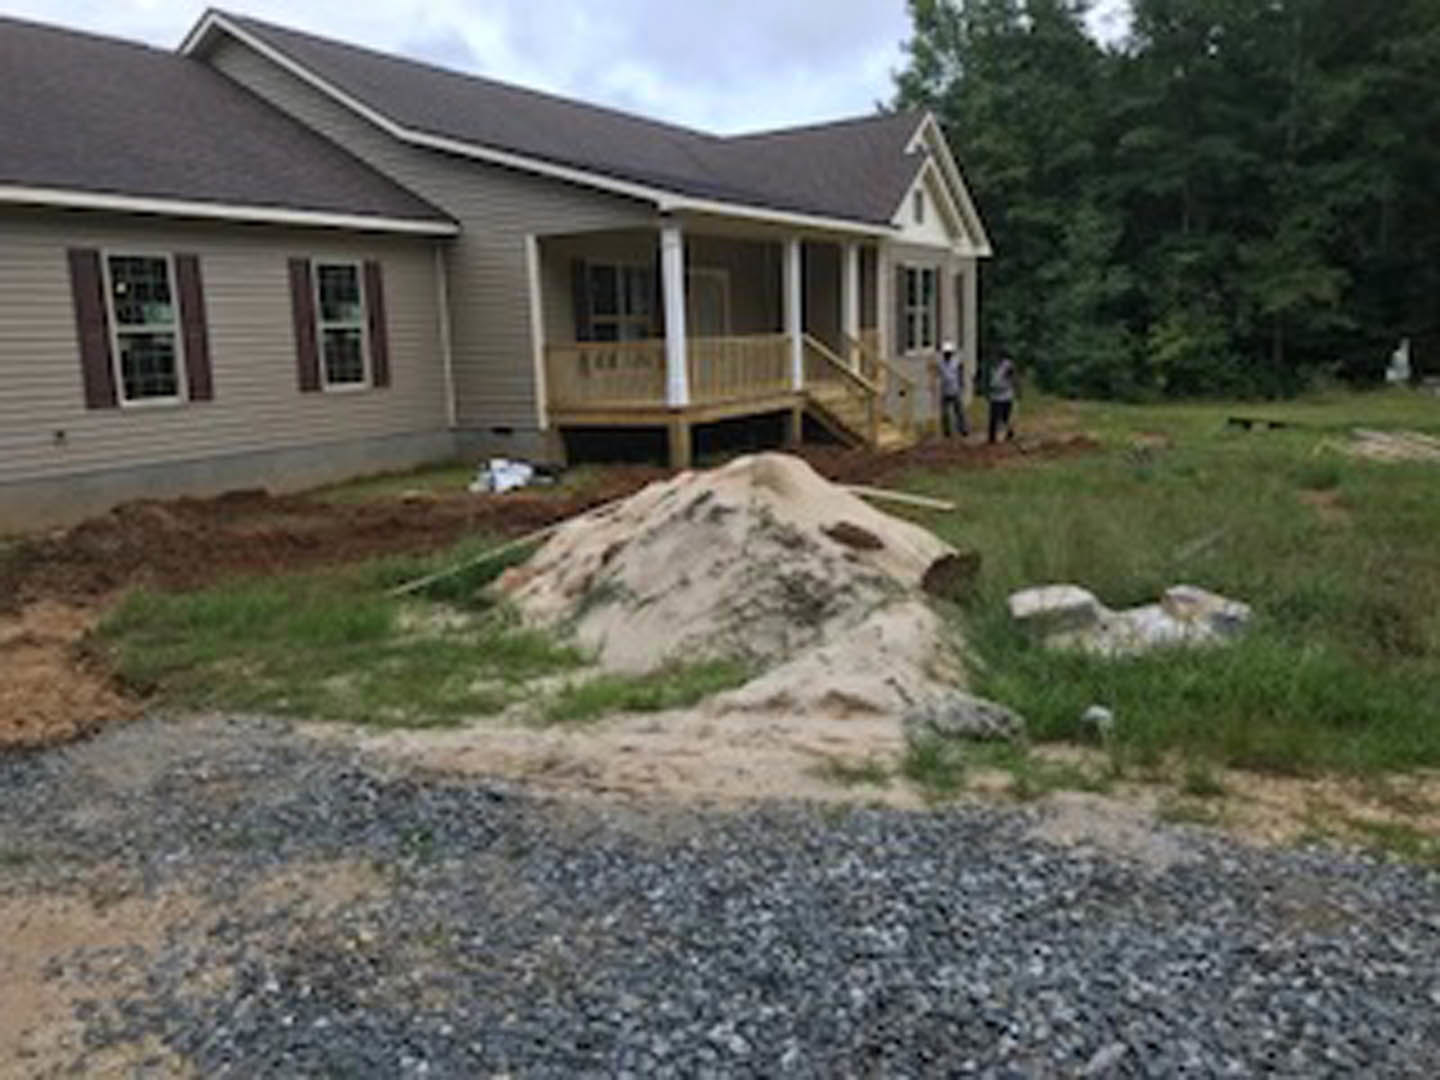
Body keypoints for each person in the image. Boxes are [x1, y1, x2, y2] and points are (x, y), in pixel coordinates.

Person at [936, 342, 968, 438]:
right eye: (946, 353)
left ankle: (963, 429)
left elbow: (960, 373)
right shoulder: (941, 364)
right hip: (945, 390)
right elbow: (937, 374)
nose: (947, 355)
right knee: (945, 413)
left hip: (955, 389)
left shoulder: (956, 362)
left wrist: (962, 384)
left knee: (959, 411)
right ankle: (947, 431)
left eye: (949, 353)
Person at [987, 353, 1016, 443]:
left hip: (1006, 396)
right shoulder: (991, 366)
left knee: (1005, 417)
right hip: (995, 396)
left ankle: (1009, 433)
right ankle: (992, 438)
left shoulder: (1007, 365)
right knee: (993, 418)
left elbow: (1013, 376)